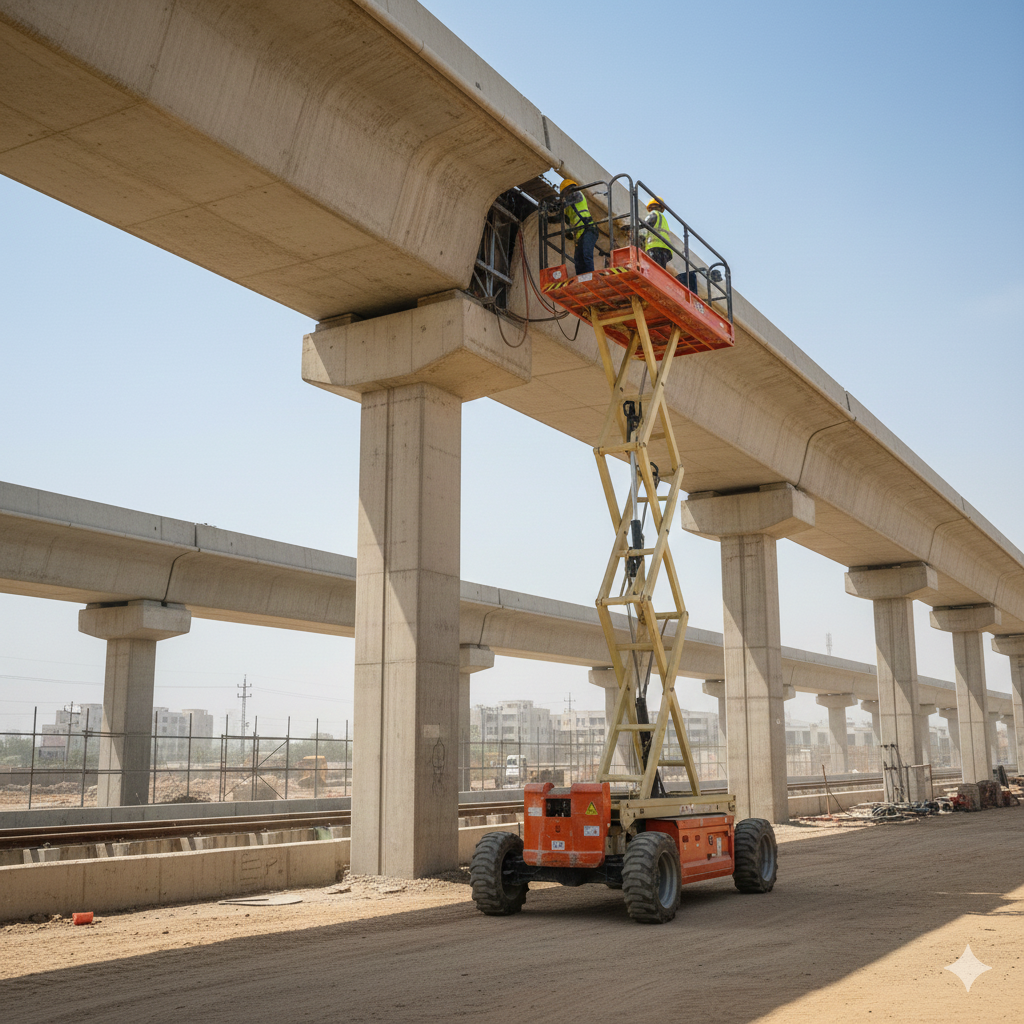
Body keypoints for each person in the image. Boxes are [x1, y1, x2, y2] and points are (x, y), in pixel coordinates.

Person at [559, 178, 597, 275]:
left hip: (589, 229)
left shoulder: (577, 194)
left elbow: (567, 201)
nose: (567, 194)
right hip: (579, 234)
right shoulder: (567, 207)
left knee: (586, 254)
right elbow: (562, 217)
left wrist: (558, 204)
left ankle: (590, 277)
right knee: (578, 260)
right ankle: (581, 279)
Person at [641, 196, 673, 270]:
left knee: (654, 268)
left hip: (655, 246)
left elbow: (646, 225)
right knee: (660, 269)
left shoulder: (654, 214)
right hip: (666, 247)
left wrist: (633, 228)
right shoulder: (663, 219)